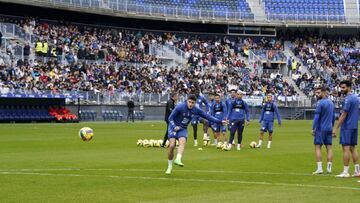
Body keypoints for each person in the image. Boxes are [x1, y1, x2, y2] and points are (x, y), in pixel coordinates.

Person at [165, 95, 228, 175]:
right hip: (173, 127)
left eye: (193, 103)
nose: (191, 104)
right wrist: (174, 126)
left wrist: (220, 121)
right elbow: (170, 118)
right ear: (186, 101)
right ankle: (169, 166)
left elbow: (208, 116)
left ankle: (178, 159)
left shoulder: (196, 109)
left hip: (183, 128)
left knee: (182, 141)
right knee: (172, 146)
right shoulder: (180, 107)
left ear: (195, 103)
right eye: (189, 102)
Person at [333, 80, 359, 178]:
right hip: (354, 126)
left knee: (346, 148)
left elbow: (344, 114)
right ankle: (357, 171)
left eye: (343, 87)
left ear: (349, 87)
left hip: (347, 126)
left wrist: (336, 128)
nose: (341, 89)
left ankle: (345, 171)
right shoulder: (356, 98)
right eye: (341, 87)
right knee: (353, 148)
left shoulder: (348, 99)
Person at [312, 86, 335, 174]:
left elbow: (316, 117)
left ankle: (320, 168)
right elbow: (333, 117)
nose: (317, 94)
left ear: (324, 92)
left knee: (317, 147)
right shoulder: (331, 103)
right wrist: (332, 126)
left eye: (319, 93)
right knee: (329, 148)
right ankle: (329, 169)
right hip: (329, 128)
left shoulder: (320, 103)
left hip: (320, 128)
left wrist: (313, 128)